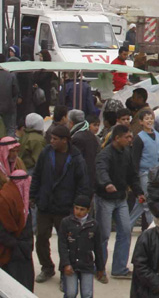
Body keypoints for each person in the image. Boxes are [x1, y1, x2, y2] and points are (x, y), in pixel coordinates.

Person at [30, 123, 89, 283]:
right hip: (45, 205)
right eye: (51, 138)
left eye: (55, 139)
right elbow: (37, 175)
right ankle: (47, 267)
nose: (52, 141)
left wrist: (78, 205)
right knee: (41, 237)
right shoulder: (46, 153)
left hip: (65, 207)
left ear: (65, 140)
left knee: (67, 243)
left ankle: (65, 273)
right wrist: (33, 195)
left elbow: (82, 183)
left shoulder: (76, 158)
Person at [94, 124, 141, 280]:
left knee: (126, 231)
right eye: (127, 137)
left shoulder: (127, 153)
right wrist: (107, 183)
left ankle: (119, 268)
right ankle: (99, 268)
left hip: (120, 198)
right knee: (104, 234)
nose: (130, 139)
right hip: (105, 199)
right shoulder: (104, 155)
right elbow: (101, 170)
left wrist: (139, 192)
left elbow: (132, 175)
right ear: (117, 138)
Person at [58, 194, 105, 296]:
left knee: (87, 294)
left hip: (87, 264)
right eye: (76, 208)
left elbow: (98, 248)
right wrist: (66, 264)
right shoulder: (66, 222)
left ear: (88, 210)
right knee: (70, 293)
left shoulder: (94, 225)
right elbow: (62, 245)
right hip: (71, 263)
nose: (78, 212)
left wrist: (100, 267)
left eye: (82, 209)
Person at [129, 108, 159, 228]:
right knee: (149, 203)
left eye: (151, 118)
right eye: (146, 119)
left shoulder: (158, 135)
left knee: (141, 203)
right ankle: (153, 228)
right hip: (144, 173)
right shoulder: (139, 138)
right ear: (141, 122)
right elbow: (135, 159)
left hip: (157, 173)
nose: (149, 121)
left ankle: (127, 225)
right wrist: (135, 178)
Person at [0, 168, 32, 291]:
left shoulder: (22, 200)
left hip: (23, 252)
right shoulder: (5, 199)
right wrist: (18, 246)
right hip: (10, 253)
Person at [71, 114, 100, 192]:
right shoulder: (82, 138)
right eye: (94, 125)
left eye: (98, 125)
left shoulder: (96, 139)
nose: (97, 128)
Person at [0, 61, 19, 137]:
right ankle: (9, 146)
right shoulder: (11, 75)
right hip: (9, 107)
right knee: (10, 129)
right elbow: (16, 91)